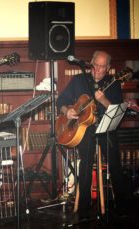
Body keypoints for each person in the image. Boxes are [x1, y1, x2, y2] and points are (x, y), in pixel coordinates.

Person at [56, 50, 132, 220]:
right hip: (84, 130)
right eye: (95, 65)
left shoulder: (113, 83)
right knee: (86, 163)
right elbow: (60, 101)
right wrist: (67, 111)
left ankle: (122, 206)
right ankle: (83, 209)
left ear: (109, 68)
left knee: (115, 164)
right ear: (90, 63)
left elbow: (117, 109)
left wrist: (103, 100)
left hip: (105, 128)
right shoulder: (78, 80)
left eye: (102, 67)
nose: (97, 69)